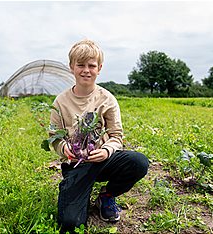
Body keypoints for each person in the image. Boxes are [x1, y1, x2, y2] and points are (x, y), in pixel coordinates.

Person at [50, 39, 149, 233]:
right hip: (76, 164)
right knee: (70, 224)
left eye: (91, 65)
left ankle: (107, 195)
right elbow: (54, 137)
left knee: (138, 162)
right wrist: (65, 149)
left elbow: (116, 135)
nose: (86, 70)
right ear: (72, 67)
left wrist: (106, 150)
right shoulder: (60, 101)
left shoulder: (107, 99)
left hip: (104, 160)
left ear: (99, 68)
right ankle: (79, 193)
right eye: (80, 65)